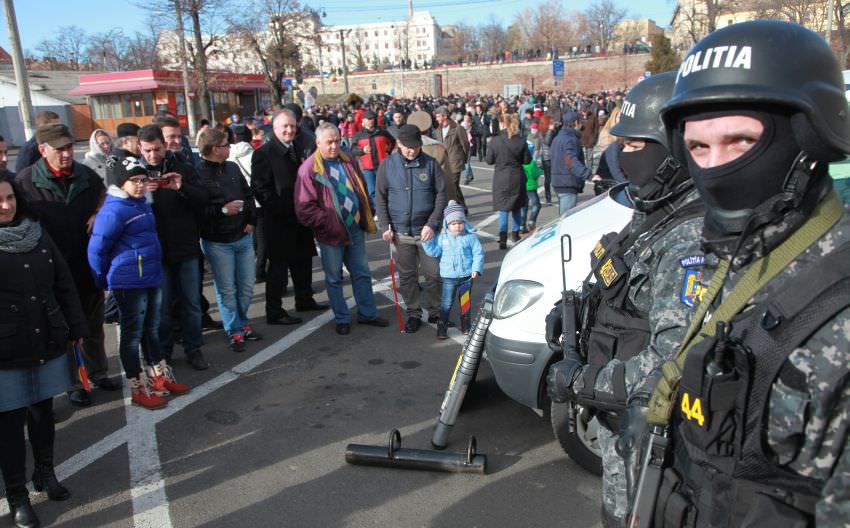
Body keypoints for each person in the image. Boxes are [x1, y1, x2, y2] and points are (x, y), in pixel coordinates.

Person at [623, 21, 850, 527]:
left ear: (809, 139)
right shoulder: (739, 254)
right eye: (699, 149)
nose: (716, 169)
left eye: (741, 142)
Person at [545, 72, 703, 528]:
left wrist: (582, 381)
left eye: (635, 147)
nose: (622, 158)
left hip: (657, 442)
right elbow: (615, 276)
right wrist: (574, 306)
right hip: (622, 428)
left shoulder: (689, 238)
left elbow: (670, 364)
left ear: (673, 151)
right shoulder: (655, 210)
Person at [0, 173, 86, 528]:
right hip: (5, 350)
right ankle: (18, 495)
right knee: (8, 429)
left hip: (47, 338)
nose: (5, 206)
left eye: (9, 197)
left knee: (42, 413)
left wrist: (76, 326)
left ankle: (45, 473)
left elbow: (63, 281)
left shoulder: (36, 232)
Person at [15, 124, 121, 408]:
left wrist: (99, 213)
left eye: (68, 148)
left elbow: (106, 194)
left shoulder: (84, 174)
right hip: (51, 271)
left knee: (93, 326)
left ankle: (97, 372)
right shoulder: (25, 183)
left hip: (86, 264)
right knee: (65, 332)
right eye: (59, 149)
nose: (65, 154)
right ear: (42, 150)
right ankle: (74, 383)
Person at [88, 157, 191, 411]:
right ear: (119, 182)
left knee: (152, 330)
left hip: (151, 276)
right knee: (132, 336)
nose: (140, 185)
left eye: (143, 179)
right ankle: (137, 387)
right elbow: (97, 249)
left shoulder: (141, 204)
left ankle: (160, 377)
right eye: (133, 180)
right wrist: (101, 280)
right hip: (127, 281)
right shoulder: (113, 210)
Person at [294, 123, 389, 335]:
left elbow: (361, 187)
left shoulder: (348, 161)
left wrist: (368, 209)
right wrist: (327, 222)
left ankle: (368, 314)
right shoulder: (309, 169)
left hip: (354, 228)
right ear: (318, 142)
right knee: (334, 278)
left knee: (362, 273)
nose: (334, 146)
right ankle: (342, 318)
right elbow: (304, 208)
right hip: (331, 234)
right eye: (329, 142)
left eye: (337, 141)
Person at [137, 124, 211, 371]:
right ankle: (164, 352)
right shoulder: (135, 173)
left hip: (186, 247)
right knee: (163, 307)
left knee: (191, 303)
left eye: (157, 149)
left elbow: (204, 200)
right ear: (140, 148)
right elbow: (121, 207)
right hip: (156, 252)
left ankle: (194, 348)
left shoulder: (182, 168)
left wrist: (181, 187)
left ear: (164, 145)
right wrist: (140, 192)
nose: (152, 155)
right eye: (147, 150)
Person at [251, 109, 328, 326]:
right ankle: (274, 310)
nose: (289, 130)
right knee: (278, 268)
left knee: (303, 261)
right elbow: (259, 189)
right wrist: (282, 208)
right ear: (274, 128)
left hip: (301, 218)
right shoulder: (264, 153)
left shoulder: (299, 148)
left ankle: (305, 299)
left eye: (292, 126)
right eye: (285, 126)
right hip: (278, 220)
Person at [376, 124, 447, 333]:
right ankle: (414, 313)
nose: (411, 150)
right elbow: (380, 197)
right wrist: (385, 225)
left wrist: (432, 223)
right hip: (400, 233)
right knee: (407, 277)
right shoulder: (387, 165)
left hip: (427, 233)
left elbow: (441, 195)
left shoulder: (431, 164)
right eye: (407, 147)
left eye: (415, 146)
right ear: (398, 143)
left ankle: (436, 312)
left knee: (434, 274)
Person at [196, 128, 262, 352]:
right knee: (227, 290)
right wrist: (222, 211)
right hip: (217, 242)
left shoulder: (232, 167)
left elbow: (248, 194)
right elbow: (198, 210)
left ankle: (242, 323)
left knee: (246, 286)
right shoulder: (198, 174)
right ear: (215, 149)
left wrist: (251, 220)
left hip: (243, 235)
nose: (230, 147)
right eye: (226, 144)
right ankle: (234, 329)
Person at [422, 200, 484, 338]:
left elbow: (478, 253)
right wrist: (426, 242)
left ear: (464, 222)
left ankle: (466, 326)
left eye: (460, 223)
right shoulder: (442, 238)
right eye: (453, 224)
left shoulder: (470, 237)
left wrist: (476, 268)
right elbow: (434, 252)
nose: (457, 227)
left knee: (465, 303)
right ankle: (442, 327)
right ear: (447, 224)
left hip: (467, 277)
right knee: (446, 303)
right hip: (449, 277)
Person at [486, 113, 531, 249]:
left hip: (501, 177)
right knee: (516, 206)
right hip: (516, 175)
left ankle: (503, 237)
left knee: (503, 208)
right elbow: (527, 160)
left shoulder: (495, 141)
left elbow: (489, 160)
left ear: (502, 124)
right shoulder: (521, 140)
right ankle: (515, 233)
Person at [550, 111, 591, 214]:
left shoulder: (559, 137)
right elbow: (571, 160)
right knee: (566, 218)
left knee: (563, 215)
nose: (582, 124)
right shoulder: (570, 139)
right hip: (567, 181)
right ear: (576, 123)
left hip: (560, 179)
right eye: (581, 122)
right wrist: (588, 174)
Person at [351, 110, 394, 199]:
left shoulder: (382, 131)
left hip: (382, 166)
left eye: (373, 118)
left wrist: (388, 151)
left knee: (385, 189)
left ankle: (386, 208)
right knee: (372, 191)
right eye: (369, 118)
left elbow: (392, 141)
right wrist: (362, 150)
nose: (371, 120)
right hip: (368, 169)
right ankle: (376, 210)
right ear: (363, 120)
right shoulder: (358, 135)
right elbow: (352, 150)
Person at [432, 106, 470, 206]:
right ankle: (461, 206)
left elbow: (465, 145)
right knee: (451, 186)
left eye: (438, 116)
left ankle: (461, 208)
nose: (436, 119)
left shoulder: (457, 128)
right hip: (443, 163)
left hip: (455, 161)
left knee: (453, 185)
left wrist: (463, 159)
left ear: (445, 116)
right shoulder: (437, 131)